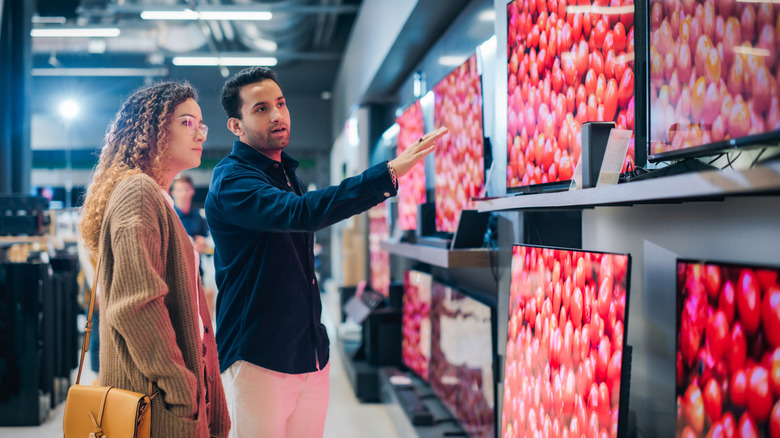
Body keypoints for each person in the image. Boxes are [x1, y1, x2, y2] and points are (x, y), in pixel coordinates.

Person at [205, 66, 447, 438]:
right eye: (260, 109)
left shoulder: (287, 174)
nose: (277, 115)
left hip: (308, 354)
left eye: (281, 104)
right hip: (258, 358)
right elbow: (302, 213)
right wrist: (389, 174)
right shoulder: (233, 179)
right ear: (236, 126)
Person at [79, 81, 230, 437]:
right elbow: (137, 305)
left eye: (201, 125)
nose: (199, 134)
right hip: (154, 400)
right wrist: (181, 388)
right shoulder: (139, 192)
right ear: (153, 130)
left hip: (163, 393)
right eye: (186, 122)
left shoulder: (157, 196)